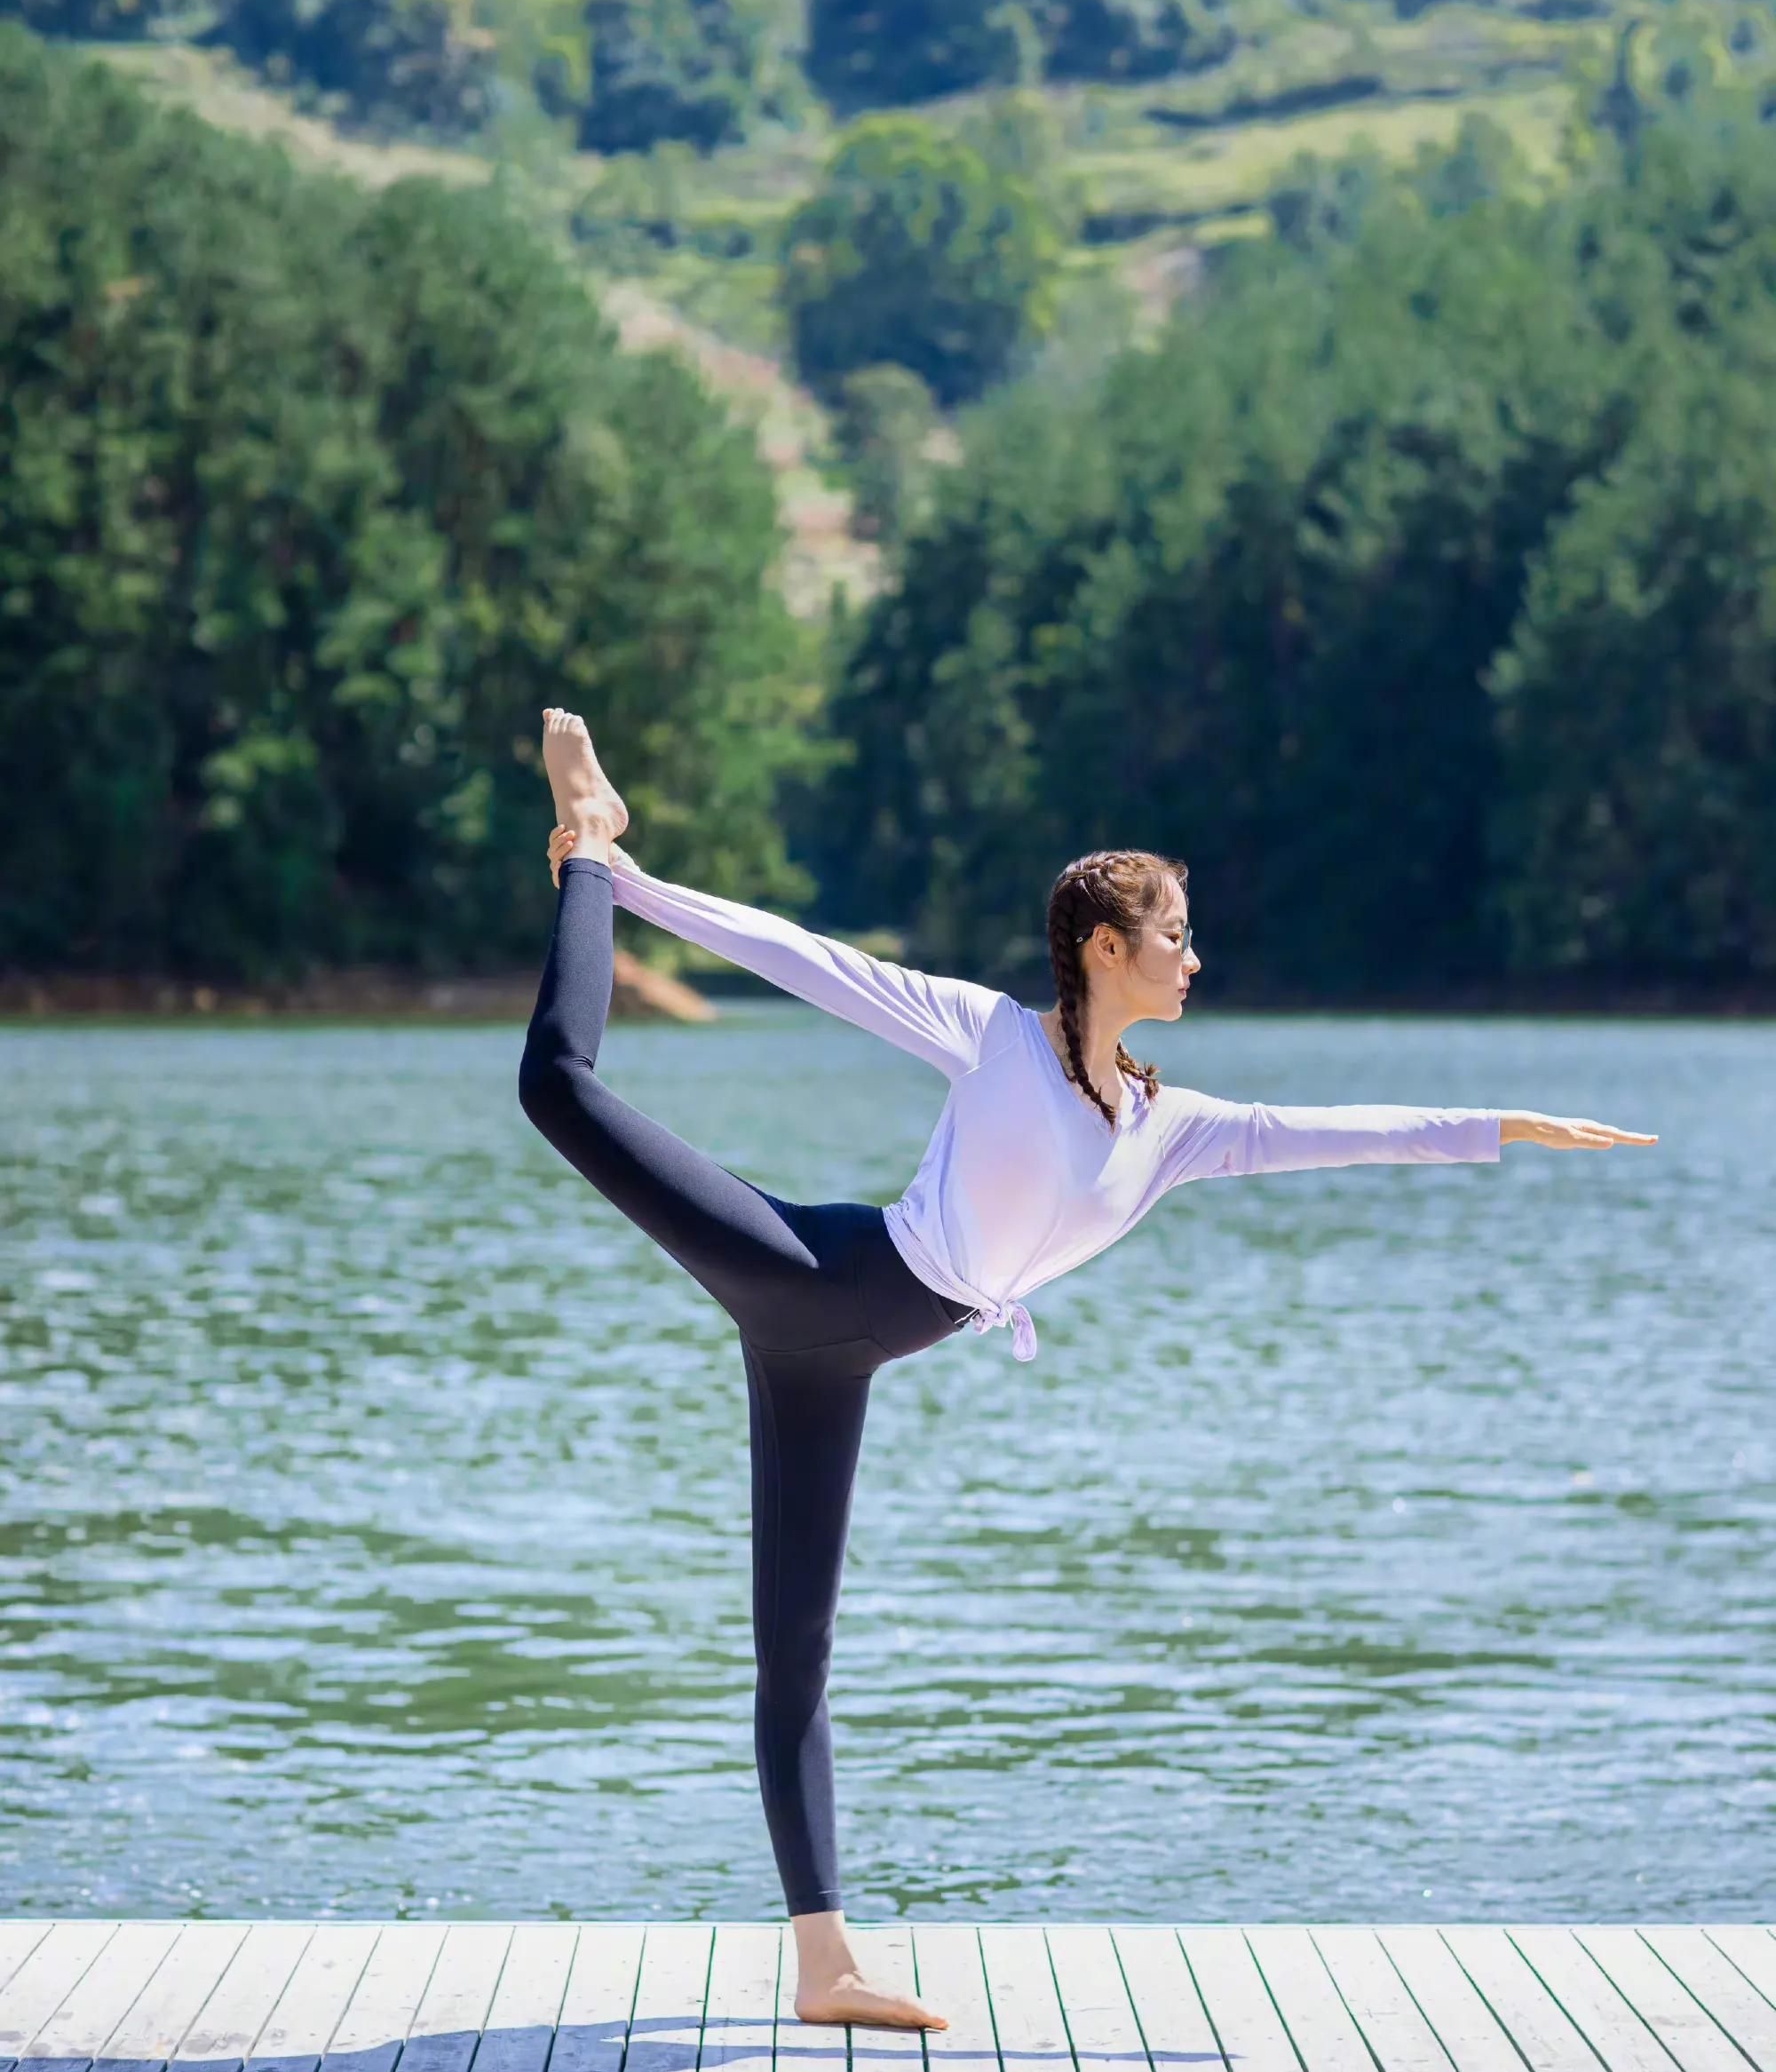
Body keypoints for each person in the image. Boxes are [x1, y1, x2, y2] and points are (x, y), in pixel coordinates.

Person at [516, 706, 1655, 2032]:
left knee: (798, 1658)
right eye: (1173, 933)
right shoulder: (991, 1034)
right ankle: (587, 843)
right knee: (556, 1084)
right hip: (810, 1276)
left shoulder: (1166, 1127)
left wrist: (1495, 1125)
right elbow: (806, 959)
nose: (1191, 955)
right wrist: (628, 881)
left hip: (848, 1356)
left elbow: (1320, 1129)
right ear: (1106, 947)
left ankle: (826, 1964)